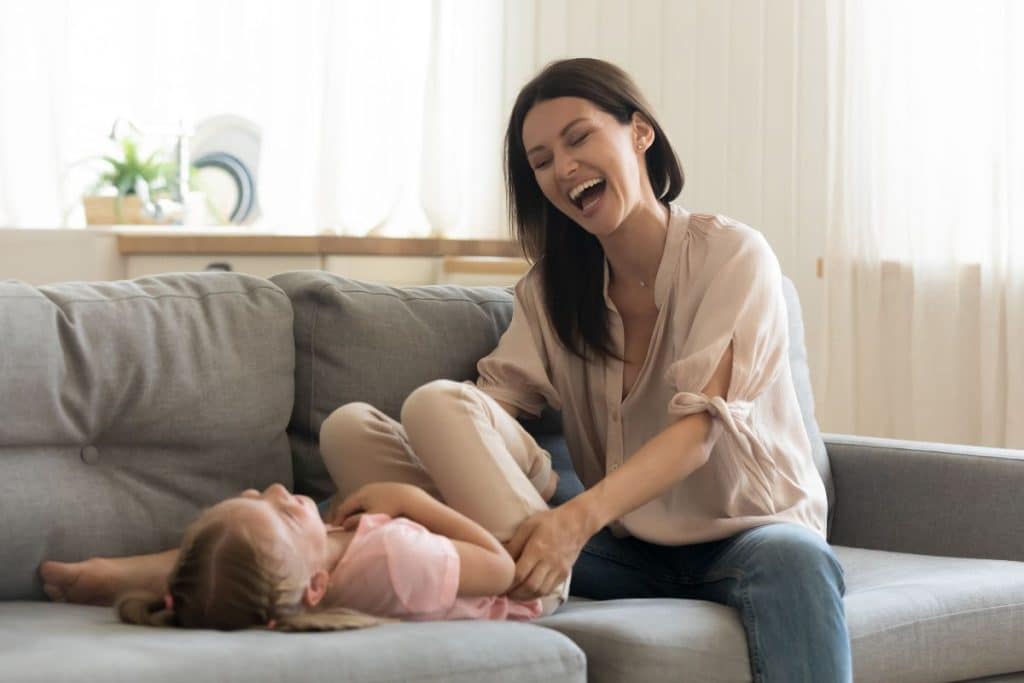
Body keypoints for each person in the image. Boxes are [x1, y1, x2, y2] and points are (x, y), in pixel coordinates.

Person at [321, 57, 849, 681]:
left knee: (795, 559)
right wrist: (408, 485)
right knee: (358, 425)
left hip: (747, 534)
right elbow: (490, 410)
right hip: (622, 548)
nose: (563, 167)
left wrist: (571, 523)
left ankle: (522, 578)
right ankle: (520, 574)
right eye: (541, 161)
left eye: (579, 137)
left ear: (640, 132)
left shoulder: (731, 255)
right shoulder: (551, 292)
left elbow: (700, 432)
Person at [39, 402, 564, 630]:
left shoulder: (305, 566)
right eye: (284, 513)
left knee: (345, 426)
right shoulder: (395, 560)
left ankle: (122, 573)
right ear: (315, 587)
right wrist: (409, 500)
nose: (275, 489)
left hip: (446, 552)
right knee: (436, 406)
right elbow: (499, 572)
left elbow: (242, 556)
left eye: (253, 497)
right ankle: (536, 480)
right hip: (529, 575)